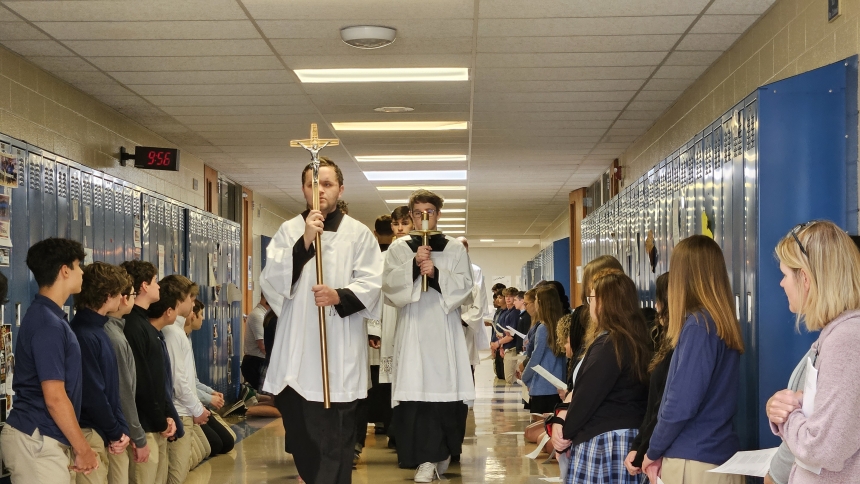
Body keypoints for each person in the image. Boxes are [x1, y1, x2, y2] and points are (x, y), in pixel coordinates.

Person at [260, 157, 383, 484]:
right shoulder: (288, 231)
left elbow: (372, 283)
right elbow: (271, 281)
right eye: (312, 184)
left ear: (340, 188)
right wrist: (303, 245)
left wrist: (339, 295)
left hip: (336, 356)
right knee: (302, 442)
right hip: (297, 358)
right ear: (303, 189)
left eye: (326, 184)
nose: (319, 191)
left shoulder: (358, 235)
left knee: (334, 445)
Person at [383, 189, 474, 482]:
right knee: (415, 394)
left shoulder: (454, 248)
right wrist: (412, 265)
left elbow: (464, 288)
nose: (424, 218)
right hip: (413, 329)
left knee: (444, 393)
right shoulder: (399, 249)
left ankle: (442, 452)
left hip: (444, 329)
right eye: (418, 213)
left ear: (438, 214)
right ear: (410, 215)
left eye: (429, 212)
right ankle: (423, 458)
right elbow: (388, 289)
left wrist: (435, 273)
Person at [641, 236, 745, 484]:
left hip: (695, 462)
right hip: (715, 455)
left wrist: (652, 450)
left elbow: (680, 404)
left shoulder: (698, 326)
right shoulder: (718, 322)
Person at [765, 220, 860, 484]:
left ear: (805, 278)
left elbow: (823, 448)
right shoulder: (837, 334)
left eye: (785, 275)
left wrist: (787, 418)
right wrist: (797, 403)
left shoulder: (847, 339)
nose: (782, 284)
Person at [0, 238, 98, 482]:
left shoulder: (51, 318)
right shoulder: (47, 324)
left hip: (45, 438)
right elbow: (54, 397)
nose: (82, 272)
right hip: (37, 440)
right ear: (65, 270)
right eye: (78, 265)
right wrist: (82, 448)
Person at [550, 269, 651, 484]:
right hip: (629, 434)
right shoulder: (636, 338)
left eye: (592, 298)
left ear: (605, 302)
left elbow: (587, 397)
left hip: (607, 441)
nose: (590, 304)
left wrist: (566, 435)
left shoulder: (609, 344)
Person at [71, 262, 132, 484]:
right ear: (107, 296)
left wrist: (121, 430)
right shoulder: (84, 334)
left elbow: (112, 389)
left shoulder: (99, 330)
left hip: (106, 431)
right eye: (119, 293)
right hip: (90, 431)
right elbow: (93, 394)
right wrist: (116, 431)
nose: (122, 299)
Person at [120, 260, 180, 484]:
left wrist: (167, 417)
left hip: (157, 422)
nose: (159, 287)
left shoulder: (145, 323)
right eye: (155, 281)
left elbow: (159, 379)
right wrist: (160, 420)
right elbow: (141, 384)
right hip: (145, 426)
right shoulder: (133, 326)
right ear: (144, 286)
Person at [156, 274, 209, 484]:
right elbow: (178, 381)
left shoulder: (177, 332)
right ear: (179, 300)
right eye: (191, 298)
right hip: (180, 411)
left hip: (184, 411)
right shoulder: (171, 333)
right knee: (175, 476)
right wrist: (197, 409)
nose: (193, 303)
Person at [355, 213, 398, 465]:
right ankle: (388, 426)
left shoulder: (374, 259)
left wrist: (374, 329)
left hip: (376, 328)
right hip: (381, 327)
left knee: (376, 381)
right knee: (383, 383)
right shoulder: (378, 259)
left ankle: (382, 424)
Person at [103, 268, 150, 484]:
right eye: (132, 295)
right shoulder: (113, 337)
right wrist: (136, 435)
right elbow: (124, 392)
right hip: (117, 432)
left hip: (120, 429)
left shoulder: (117, 332)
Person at [625, 272, 671, 477]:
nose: (656, 306)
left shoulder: (678, 347)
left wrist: (648, 450)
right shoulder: (663, 341)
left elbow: (667, 407)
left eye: (659, 299)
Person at [184, 299, 235, 456]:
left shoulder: (187, 339)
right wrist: (208, 399)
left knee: (228, 440)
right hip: (187, 407)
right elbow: (182, 383)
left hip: (198, 402)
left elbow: (194, 381)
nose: (203, 318)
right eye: (201, 314)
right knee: (216, 444)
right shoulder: (175, 337)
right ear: (192, 315)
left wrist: (210, 392)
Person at [521, 285, 567, 414]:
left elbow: (536, 357)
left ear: (540, 303)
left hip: (541, 387)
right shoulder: (559, 325)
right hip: (558, 386)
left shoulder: (542, 328)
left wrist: (525, 377)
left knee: (539, 428)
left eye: (535, 299)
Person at [456, 236, 490, 377]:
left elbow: (478, 297)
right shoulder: (445, 268)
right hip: (449, 322)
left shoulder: (475, 271)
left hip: (466, 323)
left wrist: (464, 320)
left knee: (467, 366)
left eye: (464, 245)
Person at [242, 295, 270, 391]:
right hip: (256, 362)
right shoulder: (257, 315)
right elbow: (262, 346)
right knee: (264, 394)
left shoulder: (265, 314)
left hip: (260, 361)